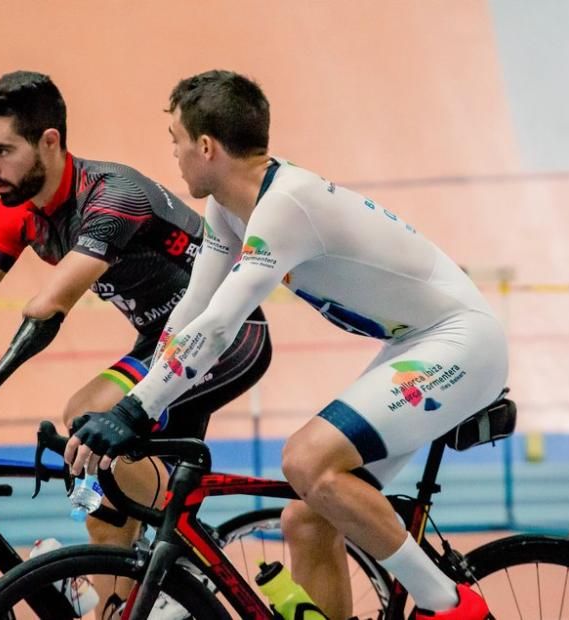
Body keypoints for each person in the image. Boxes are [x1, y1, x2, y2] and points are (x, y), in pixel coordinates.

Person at [65, 70, 507, 620]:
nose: (174, 155)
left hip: (459, 343)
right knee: (308, 517)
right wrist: (141, 402)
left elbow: (223, 323)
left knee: (306, 460)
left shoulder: (287, 206)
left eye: (175, 140)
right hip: (417, 341)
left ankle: (451, 607)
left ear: (206, 147)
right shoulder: (229, 206)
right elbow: (191, 313)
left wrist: (137, 408)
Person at [0, 70, 271, 608]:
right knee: (102, 501)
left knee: (86, 414)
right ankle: (135, 594)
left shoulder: (113, 195)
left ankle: (176, 579)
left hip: (229, 338)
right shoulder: (19, 212)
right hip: (162, 343)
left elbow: (48, 306)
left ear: (50, 141)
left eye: (1, 149)